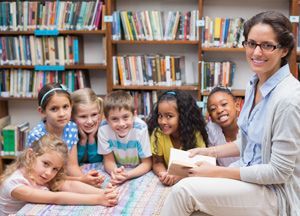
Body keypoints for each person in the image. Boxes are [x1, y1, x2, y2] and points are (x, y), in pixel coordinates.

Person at [161, 11, 300, 216]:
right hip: (248, 175)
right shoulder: (254, 84)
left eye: (267, 45)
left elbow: (279, 172)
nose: (256, 52)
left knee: (184, 191)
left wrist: (217, 172)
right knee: (195, 207)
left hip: (274, 193)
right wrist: (210, 152)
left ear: (284, 50)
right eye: (251, 43)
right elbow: (252, 142)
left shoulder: (289, 99)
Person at [0, 135, 119, 215]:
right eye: (46, 164)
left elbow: (69, 185)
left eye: (55, 169)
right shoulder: (15, 185)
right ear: (30, 155)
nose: (49, 173)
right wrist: (98, 199)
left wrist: (104, 193)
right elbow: (56, 198)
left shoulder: (39, 175)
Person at [27, 83, 103, 187]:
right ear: (42, 111)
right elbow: (40, 175)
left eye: (65, 107)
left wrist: (86, 181)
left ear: (71, 107)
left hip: (63, 178)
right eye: (54, 109)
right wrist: (80, 180)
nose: (62, 114)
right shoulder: (37, 136)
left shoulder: (71, 128)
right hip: (42, 180)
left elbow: (72, 166)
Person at [147, 90, 209, 186]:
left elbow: (203, 165)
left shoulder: (195, 134)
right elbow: (157, 162)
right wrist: (164, 174)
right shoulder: (158, 134)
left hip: (190, 181)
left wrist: (179, 177)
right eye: (160, 116)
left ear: (183, 117)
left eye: (169, 116)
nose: (162, 121)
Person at [98, 90, 152, 185]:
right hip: (118, 167)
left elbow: (147, 163)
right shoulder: (103, 129)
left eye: (125, 117)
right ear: (106, 119)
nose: (121, 124)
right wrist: (115, 172)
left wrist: (127, 175)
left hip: (136, 168)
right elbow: (108, 160)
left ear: (134, 115)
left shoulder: (140, 128)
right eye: (114, 119)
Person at [206, 86, 240, 166]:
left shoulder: (248, 127)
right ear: (211, 117)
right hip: (222, 177)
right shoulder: (211, 131)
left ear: (237, 106)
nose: (219, 110)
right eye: (213, 109)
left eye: (224, 104)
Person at [72, 88, 103, 164]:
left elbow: (96, 161)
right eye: (83, 116)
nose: (90, 121)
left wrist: (91, 138)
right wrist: (83, 140)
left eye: (94, 114)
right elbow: (74, 163)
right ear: (72, 116)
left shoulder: (103, 129)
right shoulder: (69, 132)